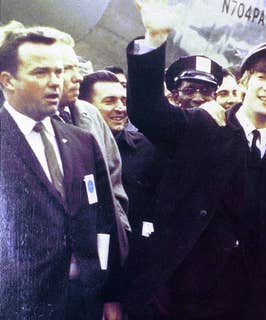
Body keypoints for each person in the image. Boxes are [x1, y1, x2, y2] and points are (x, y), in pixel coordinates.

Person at [123, 1, 266, 319]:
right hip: (176, 299)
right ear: (244, 82)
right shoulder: (201, 126)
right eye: (262, 76)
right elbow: (147, 112)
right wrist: (155, 38)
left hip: (240, 304)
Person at [0, 28, 122, 320]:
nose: (55, 82)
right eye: (41, 72)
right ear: (8, 81)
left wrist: (111, 295)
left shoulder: (82, 142)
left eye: (58, 72)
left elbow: (105, 220)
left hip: (84, 303)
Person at [32, 26, 131, 255]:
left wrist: (120, 233)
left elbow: (113, 181)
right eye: (67, 69)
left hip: (99, 253)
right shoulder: (25, 123)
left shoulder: (89, 114)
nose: (77, 77)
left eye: (76, 67)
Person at [79, 70, 161, 246]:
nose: (120, 108)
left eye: (123, 101)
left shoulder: (146, 148)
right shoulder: (73, 149)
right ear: (86, 106)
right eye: (109, 101)